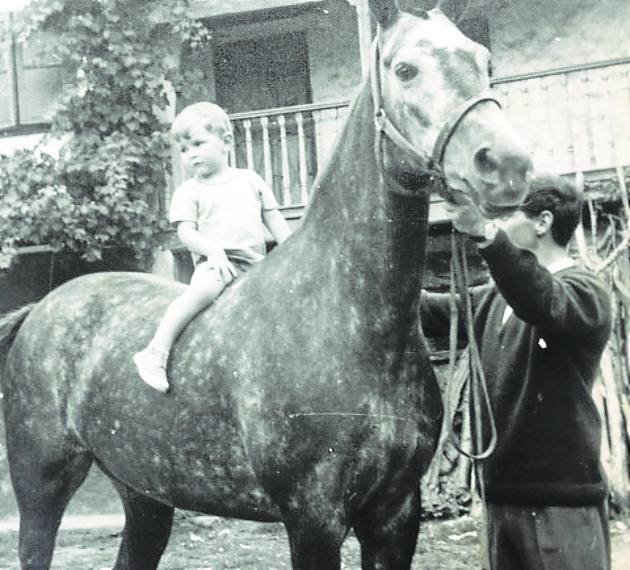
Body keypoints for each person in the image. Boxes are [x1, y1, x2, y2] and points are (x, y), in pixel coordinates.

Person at [420, 174, 612, 570]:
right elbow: (426, 310)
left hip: (560, 503)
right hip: (500, 498)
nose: (499, 226)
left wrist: (486, 234)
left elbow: (541, 299)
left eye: (505, 217)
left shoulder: (585, 292)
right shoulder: (495, 297)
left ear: (542, 222)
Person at [134, 102, 291, 393]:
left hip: (256, 264)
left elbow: (275, 220)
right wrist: (212, 250)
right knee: (201, 292)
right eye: (183, 149)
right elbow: (185, 232)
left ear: (226, 142)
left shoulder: (249, 180)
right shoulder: (190, 190)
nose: (190, 154)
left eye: (197, 144)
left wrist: (293, 250)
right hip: (217, 265)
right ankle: (156, 351)